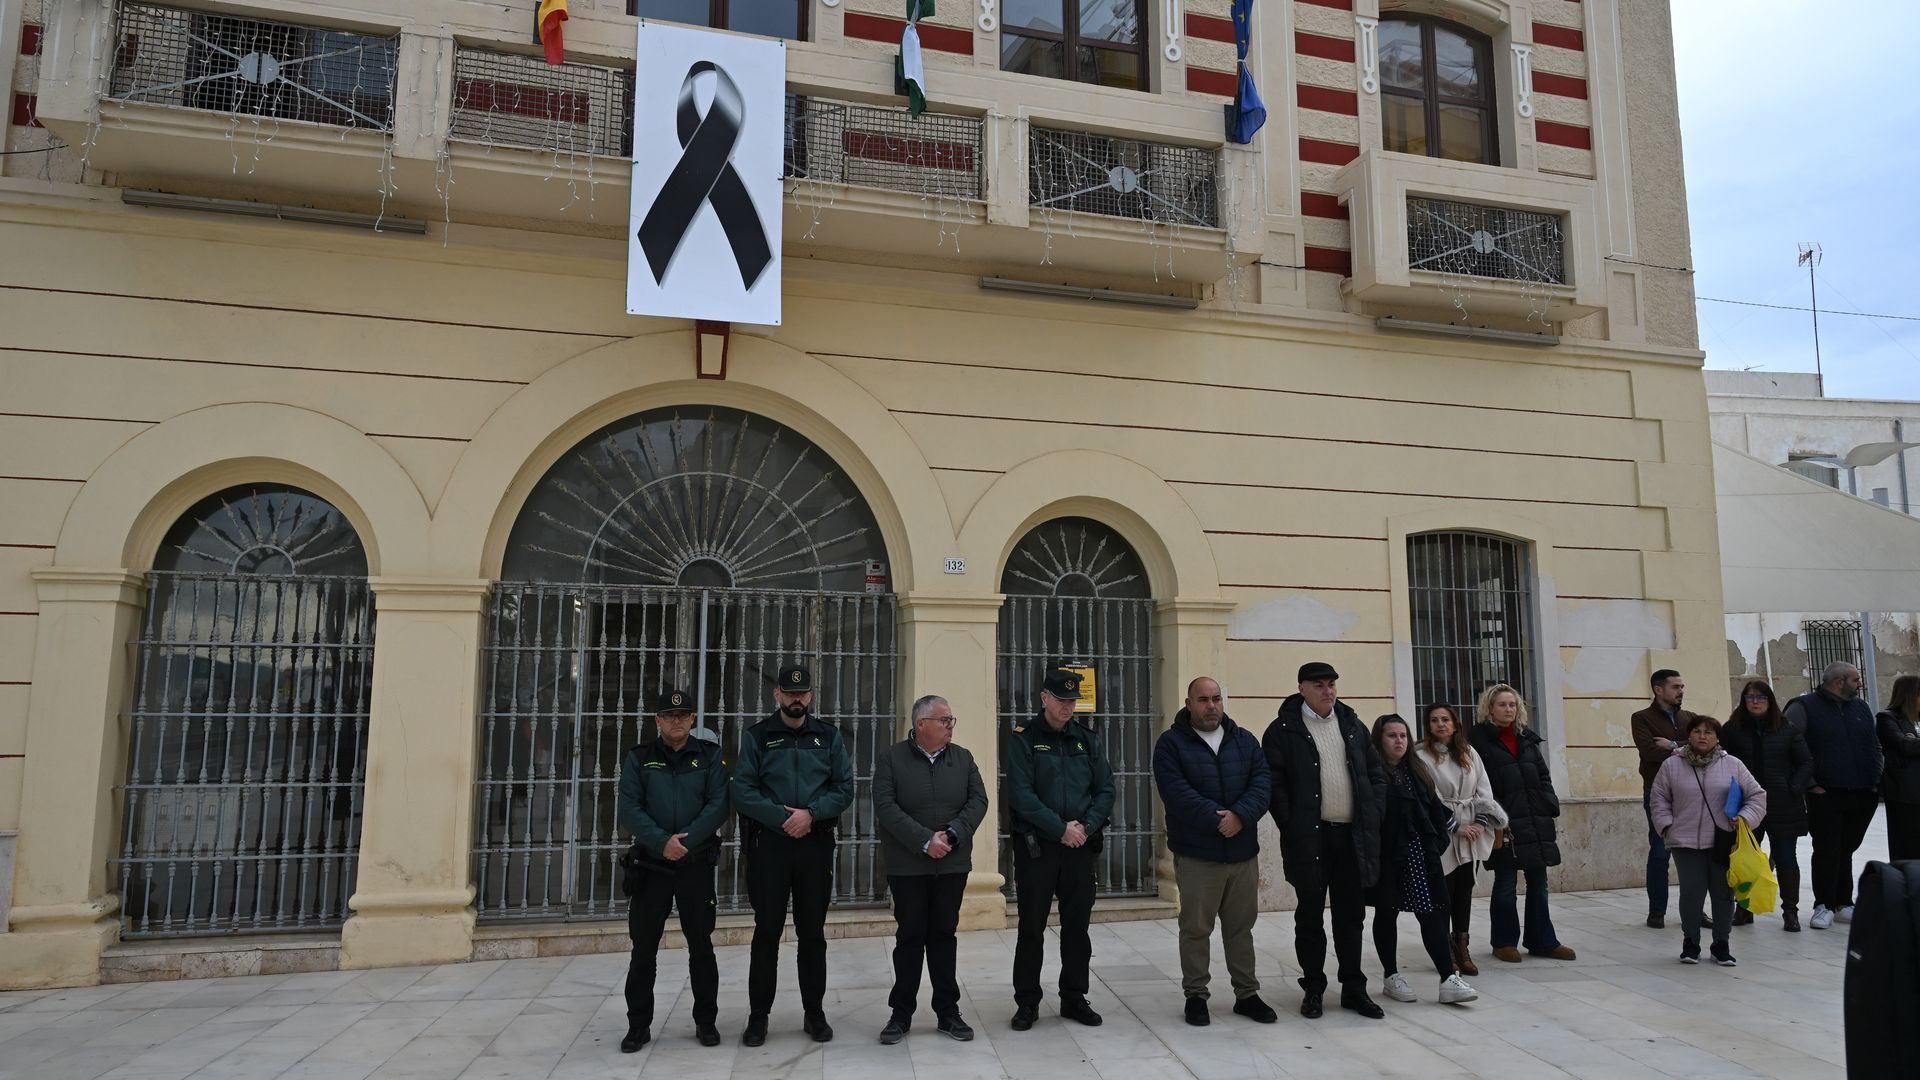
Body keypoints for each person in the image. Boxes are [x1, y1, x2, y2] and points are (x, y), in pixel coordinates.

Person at [731, 665, 855, 1045]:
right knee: (766, 931)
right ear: (777, 695)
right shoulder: (758, 737)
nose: (796, 699)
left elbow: (844, 787)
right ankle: (758, 1016)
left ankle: (814, 1013)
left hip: (814, 845)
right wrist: (784, 820)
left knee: (812, 934)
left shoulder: (828, 737)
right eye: (789, 692)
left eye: (803, 693)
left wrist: (812, 815)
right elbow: (743, 791)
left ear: (811, 696)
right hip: (770, 845)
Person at [1263, 661, 1387, 1020]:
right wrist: (1291, 823)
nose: (1327, 691)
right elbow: (1275, 783)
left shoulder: (1352, 725)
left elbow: (1375, 773)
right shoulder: (1283, 730)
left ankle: (1353, 988)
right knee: (1309, 917)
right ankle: (1314, 987)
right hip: (1310, 840)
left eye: (1331, 684)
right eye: (1319, 685)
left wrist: (1372, 813)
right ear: (1302, 688)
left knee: (1351, 917)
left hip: (1351, 838)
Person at [1151, 676, 1277, 1026]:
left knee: (1241, 928)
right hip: (1197, 855)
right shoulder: (1171, 744)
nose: (1211, 706)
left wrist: (1241, 815)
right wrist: (1216, 819)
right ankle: (1196, 996)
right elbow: (1175, 792)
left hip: (1241, 853)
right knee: (1196, 928)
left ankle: (1247, 994)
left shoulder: (1245, 740)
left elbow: (1262, 782)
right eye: (1203, 699)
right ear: (1189, 703)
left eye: (1217, 699)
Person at [616, 689, 730, 1052]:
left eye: (683, 715)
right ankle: (638, 1026)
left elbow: (718, 804)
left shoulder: (709, 757)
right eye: (669, 715)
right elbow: (630, 807)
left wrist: (689, 840)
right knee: (643, 949)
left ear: (693, 719)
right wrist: (662, 841)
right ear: (657, 720)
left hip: (694, 866)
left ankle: (706, 1022)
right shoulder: (640, 758)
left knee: (701, 947)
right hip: (652, 866)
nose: (676, 721)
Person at [872, 695, 989, 1045]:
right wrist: (924, 840)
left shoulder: (963, 758)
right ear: (921, 724)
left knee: (943, 936)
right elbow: (885, 805)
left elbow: (978, 800)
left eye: (952, 720)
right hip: (908, 866)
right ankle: (901, 1013)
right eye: (945, 720)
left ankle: (948, 1013)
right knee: (909, 938)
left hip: (951, 864)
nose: (951, 726)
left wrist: (953, 834)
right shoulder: (892, 758)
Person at [1005, 667, 1116, 1030]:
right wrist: (1059, 828)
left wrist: (1084, 826)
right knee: (1031, 927)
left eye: (1072, 701)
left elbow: (1105, 790)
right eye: (1061, 700)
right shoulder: (1023, 738)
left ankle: (1074, 997)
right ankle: (1027, 1002)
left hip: (1080, 846)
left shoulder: (1087, 739)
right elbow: (1022, 795)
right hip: (1039, 848)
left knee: (1077, 927)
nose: (1068, 707)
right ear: (1044, 698)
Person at [1368, 714, 1479, 1006]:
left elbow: (1433, 809)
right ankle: (1391, 975)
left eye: (1403, 735)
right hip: (1388, 858)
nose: (1399, 741)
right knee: (1386, 912)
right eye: (1392, 736)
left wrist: (1453, 828)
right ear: (1379, 739)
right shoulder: (1372, 774)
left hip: (1420, 856)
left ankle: (1447, 978)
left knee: (1434, 914)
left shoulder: (1416, 772)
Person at [1468, 683, 1575, 964]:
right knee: (1505, 883)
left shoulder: (1527, 739)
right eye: (1502, 705)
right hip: (1505, 824)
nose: (1508, 710)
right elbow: (1480, 784)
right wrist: (1497, 815)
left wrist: (1548, 802)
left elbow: (1543, 776)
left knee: (1539, 883)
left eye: (1512, 705)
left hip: (1535, 820)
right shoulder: (1479, 742)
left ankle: (1543, 941)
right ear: (1489, 708)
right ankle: (1503, 942)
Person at [1649, 715, 1767, 966]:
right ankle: (1690, 943)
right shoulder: (1672, 765)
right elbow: (1659, 798)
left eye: (1709, 732)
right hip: (1685, 841)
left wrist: (1744, 818)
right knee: (1691, 894)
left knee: (1723, 895)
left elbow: (1757, 795)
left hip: (1722, 841)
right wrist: (1667, 826)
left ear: (1717, 738)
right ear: (1689, 736)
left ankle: (1721, 944)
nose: (1703, 736)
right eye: (1698, 731)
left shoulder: (1733, 764)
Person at [1788, 661, 1884, 930]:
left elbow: (1874, 745)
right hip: (1825, 792)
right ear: (1839, 681)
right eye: (1855, 679)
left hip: (1863, 791)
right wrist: (1811, 784)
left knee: (1847, 848)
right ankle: (1824, 904)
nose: (1859, 684)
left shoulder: (1861, 707)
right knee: (1827, 848)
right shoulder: (1804, 707)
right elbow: (1791, 745)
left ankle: (1844, 902)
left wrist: (1875, 780)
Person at [1414, 703, 1506, 975]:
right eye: (1434, 720)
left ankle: (1461, 945)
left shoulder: (1468, 753)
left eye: (1445, 719)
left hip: (1471, 832)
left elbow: (1483, 789)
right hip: (1442, 833)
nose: (1440, 724)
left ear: (1455, 724)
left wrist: (1479, 822)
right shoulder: (1421, 755)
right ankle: (1444, 951)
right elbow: (1427, 796)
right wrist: (1453, 826)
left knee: (1464, 891)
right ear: (1428, 725)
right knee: (1444, 891)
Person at [1720, 680, 1813, 930]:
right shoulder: (1732, 729)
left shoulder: (1786, 728)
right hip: (1746, 804)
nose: (1755, 702)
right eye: (1750, 697)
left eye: (1761, 697)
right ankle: (1744, 908)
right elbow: (1723, 762)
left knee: (1785, 858)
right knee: (1745, 858)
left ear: (1770, 700)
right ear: (1744, 700)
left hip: (1783, 803)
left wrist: (1793, 787)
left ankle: (1790, 911)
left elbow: (1805, 762)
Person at [1630, 670, 1695, 929]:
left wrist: (1671, 745)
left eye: (1682, 686)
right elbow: (1648, 752)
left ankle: (1695, 910)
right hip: (1658, 792)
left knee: (1693, 854)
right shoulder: (1641, 718)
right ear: (1658, 689)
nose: (1681, 691)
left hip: (1691, 793)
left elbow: (1705, 745)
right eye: (1676, 687)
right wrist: (1684, 747)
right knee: (1659, 851)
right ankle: (1657, 910)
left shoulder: (1690, 718)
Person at [1876, 674, 1920, 862]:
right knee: (1908, 848)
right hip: (1906, 795)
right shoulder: (1888, 718)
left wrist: (1914, 741)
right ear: (1911, 696)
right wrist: (1910, 742)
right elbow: (1903, 746)